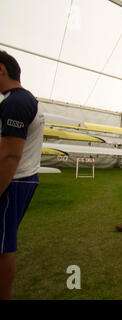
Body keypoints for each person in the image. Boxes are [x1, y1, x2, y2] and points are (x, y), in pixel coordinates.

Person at [0, 51, 44, 299]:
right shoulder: (17, 100)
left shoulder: (17, 102)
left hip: (14, 180)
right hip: (18, 179)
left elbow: (9, 156)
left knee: (3, 248)